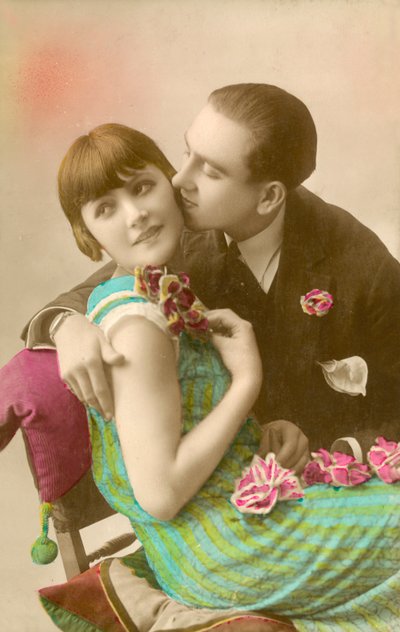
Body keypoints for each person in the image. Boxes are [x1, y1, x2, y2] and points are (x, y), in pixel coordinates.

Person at [39, 121, 400, 631]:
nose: (136, 214)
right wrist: (246, 380)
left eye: (142, 187)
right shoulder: (137, 322)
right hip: (225, 547)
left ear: (166, 186)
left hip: (235, 516)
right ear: (87, 235)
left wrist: (265, 430)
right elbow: (161, 495)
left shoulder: (166, 283)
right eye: (106, 209)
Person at [23, 83, 400, 458]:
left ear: (269, 197)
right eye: (187, 152)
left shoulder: (361, 265)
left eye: (212, 172)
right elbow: (101, 285)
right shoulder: (185, 224)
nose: (178, 180)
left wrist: (341, 450)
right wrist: (65, 325)